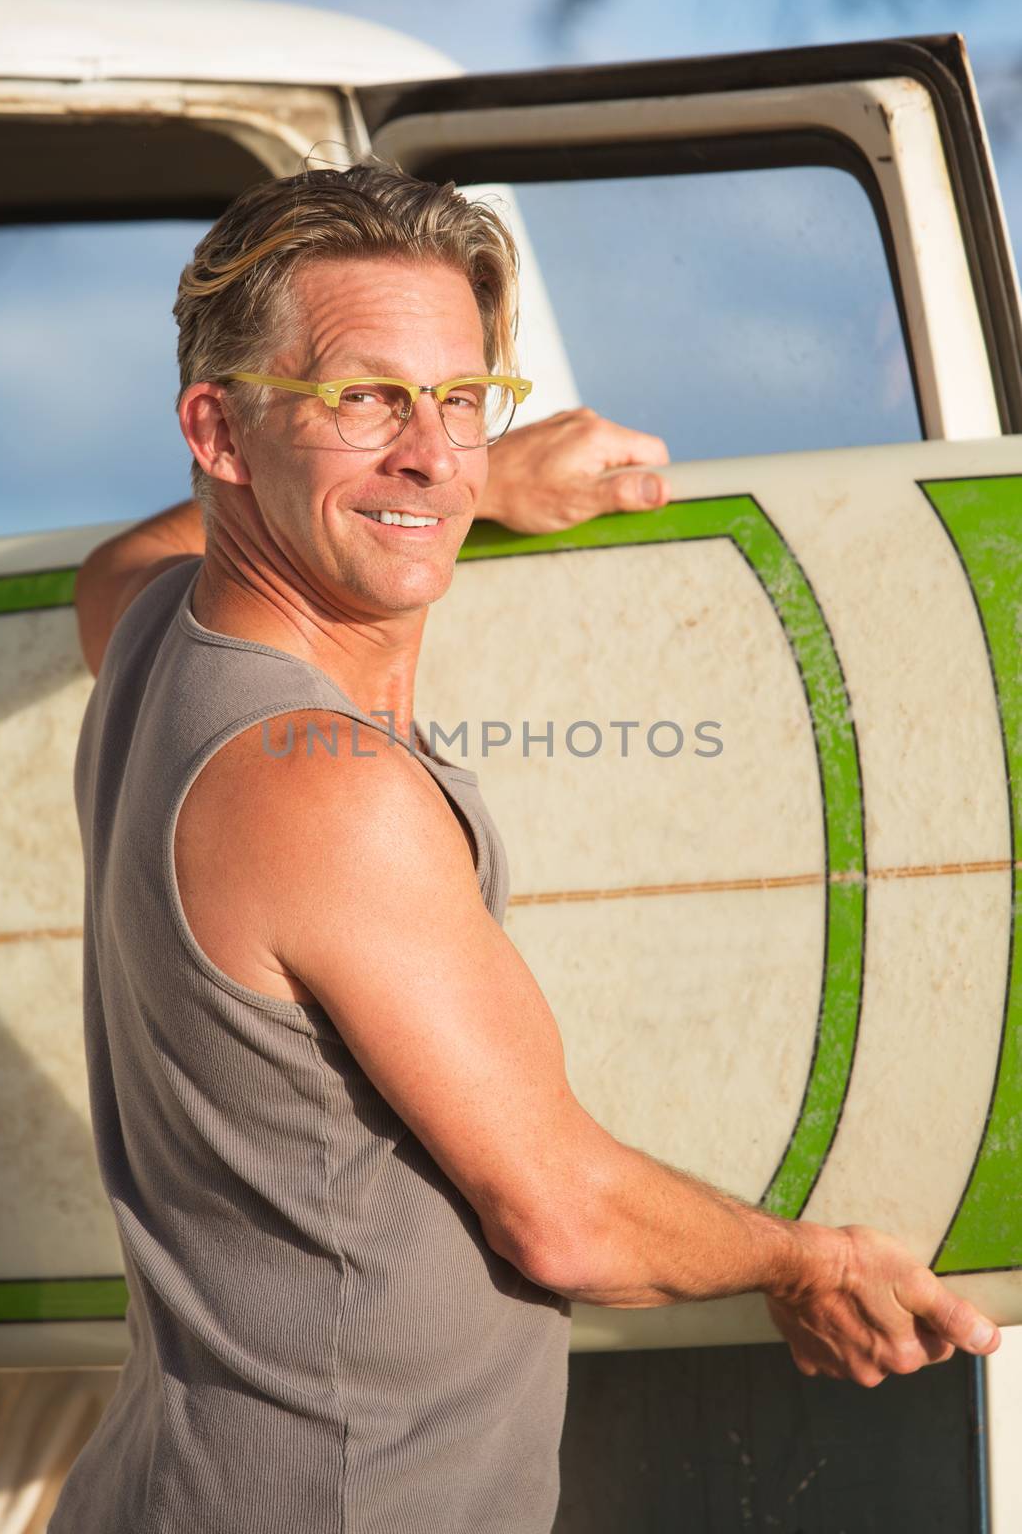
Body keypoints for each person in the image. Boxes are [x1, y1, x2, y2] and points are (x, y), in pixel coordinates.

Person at [51, 162, 1000, 1534]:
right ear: (217, 427)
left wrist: (469, 486)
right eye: (365, 398)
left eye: (458, 400)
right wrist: (801, 1260)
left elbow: (112, 570)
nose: (432, 455)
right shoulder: (320, 787)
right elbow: (566, 1216)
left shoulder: (158, 644)